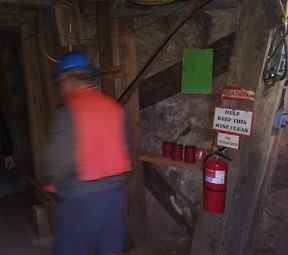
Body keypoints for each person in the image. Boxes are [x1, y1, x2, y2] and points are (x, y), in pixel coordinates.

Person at [42, 52, 131, 255]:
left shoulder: (67, 113)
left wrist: (51, 182)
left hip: (80, 202)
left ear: (68, 80)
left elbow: (59, 163)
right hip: (115, 199)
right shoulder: (115, 108)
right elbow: (124, 149)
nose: (61, 88)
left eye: (61, 83)